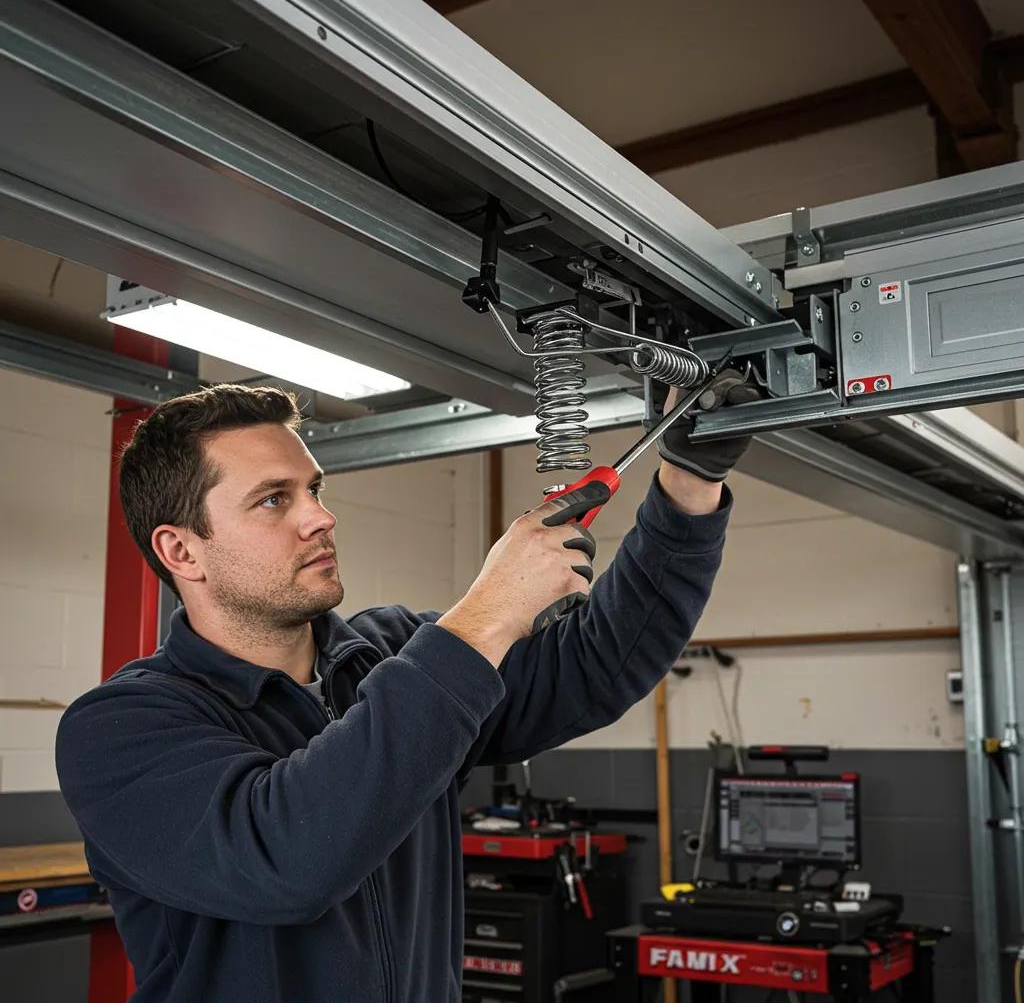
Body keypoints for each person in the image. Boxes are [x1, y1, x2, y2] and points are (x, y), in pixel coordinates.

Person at [56, 382, 747, 1003]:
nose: (319, 518)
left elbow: (596, 664)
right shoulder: (122, 729)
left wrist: (691, 483)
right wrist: (484, 617)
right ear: (181, 552)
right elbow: (291, 859)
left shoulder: (388, 655)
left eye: (315, 490)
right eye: (274, 499)